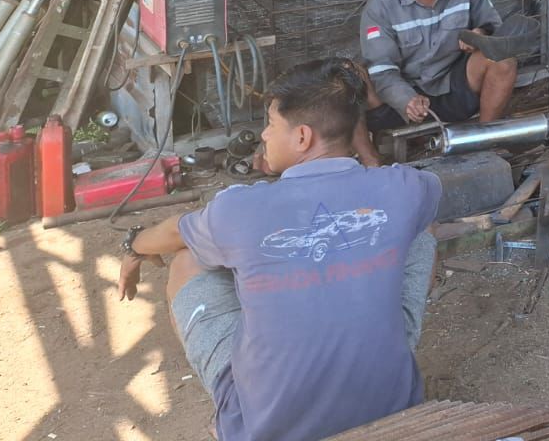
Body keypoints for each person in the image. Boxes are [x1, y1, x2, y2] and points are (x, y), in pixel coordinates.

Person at [115, 58, 442, 441]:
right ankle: (386, 349)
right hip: (391, 405)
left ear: (302, 137)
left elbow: (176, 233)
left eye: (271, 124)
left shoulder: (239, 207)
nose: (264, 135)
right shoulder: (406, 187)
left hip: (266, 429)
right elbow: (425, 201)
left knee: (188, 257)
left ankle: (230, 411)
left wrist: (133, 244)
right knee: (418, 229)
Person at [360, 0, 518, 131]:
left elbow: (494, 28)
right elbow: (381, 69)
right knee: (355, 80)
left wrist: (480, 35)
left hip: (454, 86)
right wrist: (407, 99)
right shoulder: (381, 6)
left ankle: (485, 137)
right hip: (404, 96)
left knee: (503, 60)